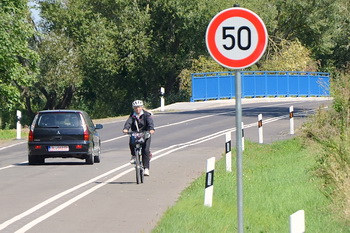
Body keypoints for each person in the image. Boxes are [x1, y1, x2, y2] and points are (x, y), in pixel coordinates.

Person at [122, 100, 155, 176]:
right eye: (136, 108)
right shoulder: (132, 116)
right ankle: (134, 155)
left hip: (145, 134)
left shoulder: (146, 115)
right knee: (131, 142)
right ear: (133, 108)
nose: (137, 109)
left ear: (142, 107)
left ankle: (146, 168)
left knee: (145, 150)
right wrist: (126, 129)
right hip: (136, 134)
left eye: (139, 107)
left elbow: (150, 122)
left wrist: (151, 129)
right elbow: (128, 123)